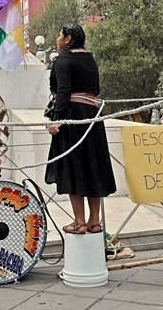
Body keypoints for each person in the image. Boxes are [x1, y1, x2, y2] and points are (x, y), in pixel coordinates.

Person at [44, 24, 116, 234]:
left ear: (68, 39)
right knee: (93, 165)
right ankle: (95, 222)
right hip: (92, 117)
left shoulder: (63, 60)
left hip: (72, 117)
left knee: (73, 168)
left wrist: (57, 119)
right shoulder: (90, 60)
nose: (57, 38)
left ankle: (79, 221)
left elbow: (63, 90)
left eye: (60, 35)